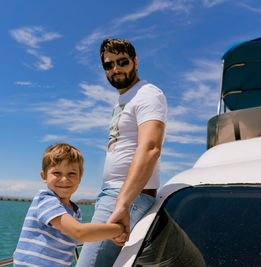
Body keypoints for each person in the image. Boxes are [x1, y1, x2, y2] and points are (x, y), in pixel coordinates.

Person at [76, 38, 167, 266]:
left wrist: (122, 205)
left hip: (126, 196)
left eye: (122, 61)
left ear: (135, 61)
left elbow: (150, 149)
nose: (115, 69)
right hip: (114, 194)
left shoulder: (148, 94)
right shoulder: (123, 100)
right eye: (109, 65)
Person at [14, 144, 124, 267]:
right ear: (44, 176)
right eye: (57, 173)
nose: (64, 179)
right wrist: (120, 229)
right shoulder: (45, 199)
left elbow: (71, 238)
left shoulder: (75, 211)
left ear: (80, 177)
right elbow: (80, 232)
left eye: (71, 173)